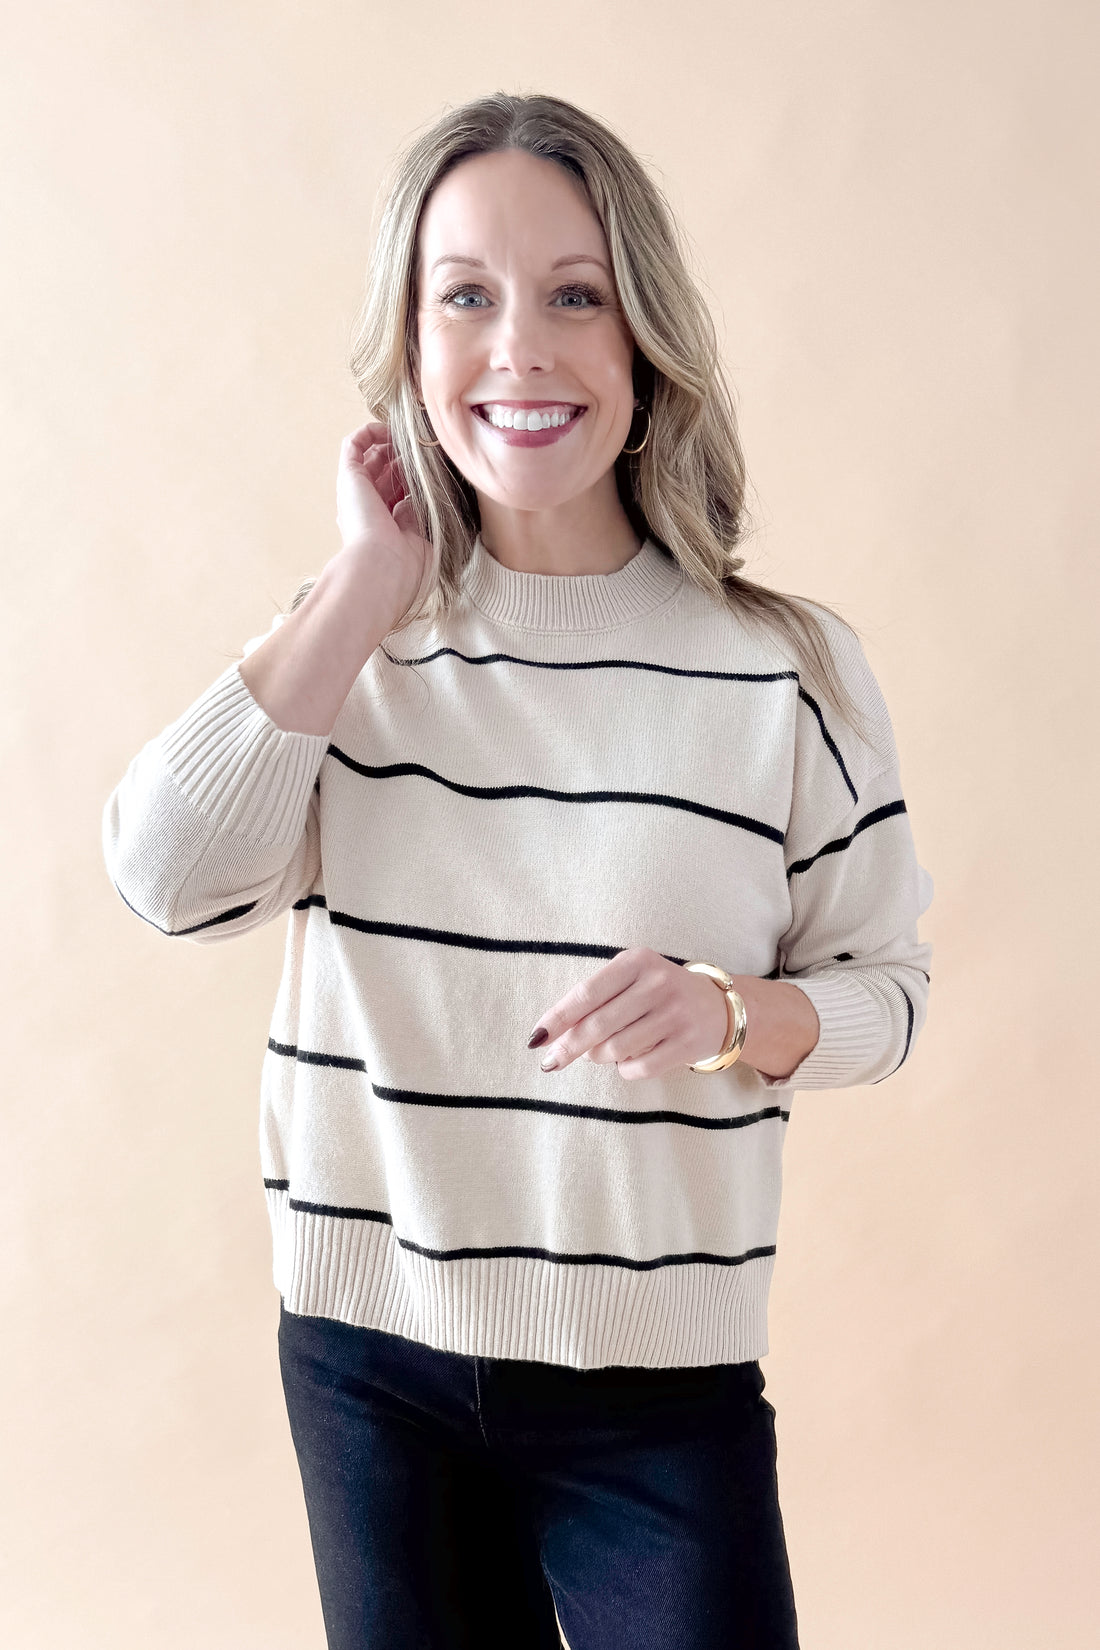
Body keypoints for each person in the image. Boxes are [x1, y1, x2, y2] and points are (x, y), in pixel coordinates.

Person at [102, 91, 933, 1650]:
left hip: (658, 1385)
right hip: (371, 1363)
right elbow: (164, 877)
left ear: (645, 340)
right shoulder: (356, 642)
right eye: (465, 297)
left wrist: (734, 1016)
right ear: (412, 346)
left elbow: (889, 991)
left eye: (575, 295)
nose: (521, 350)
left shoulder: (784, 671)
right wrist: (363, 581)